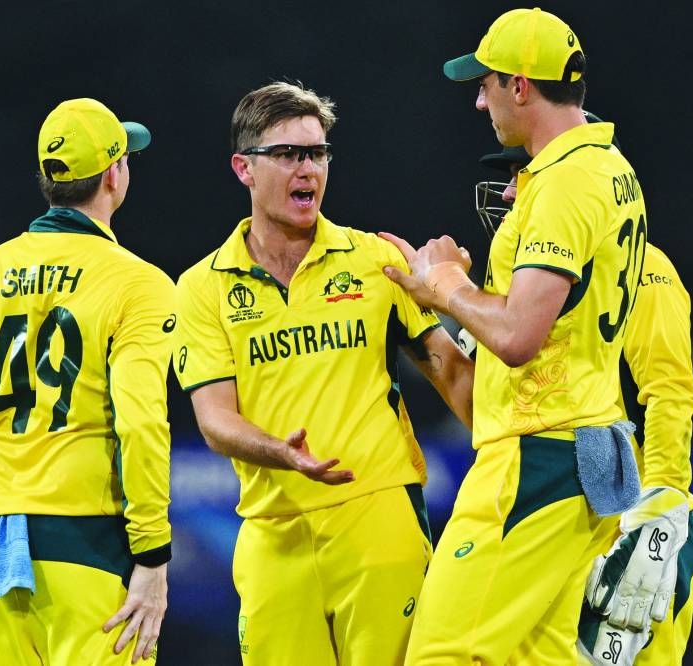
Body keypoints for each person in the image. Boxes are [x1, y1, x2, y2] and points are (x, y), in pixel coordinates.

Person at [380, 8, 687, 663]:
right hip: (585, 452)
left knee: (441, 654)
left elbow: (519, 336)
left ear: (520, 86)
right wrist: (444, 301)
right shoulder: (609, 166)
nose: (479, 100)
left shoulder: (562, 182)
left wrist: (447, 285)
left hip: (535, 461)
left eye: (486, 83)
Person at [173, 81, 474, 665]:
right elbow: (214, 420)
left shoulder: (376, 260)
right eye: (287, 154)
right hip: (272, 530)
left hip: (378, 515)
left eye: (317, 153)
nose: (307, 168)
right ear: (244, 168)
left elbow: (452, 373)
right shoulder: (202, 287)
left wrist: (514, 454)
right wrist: (281, 454)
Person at [0, 98, 174, 665]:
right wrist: (152, 554)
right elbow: (140, 422)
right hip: (92, 551)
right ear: (114, 174)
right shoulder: (139, 283)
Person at [474, 121, 693, 665]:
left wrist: (661, 508)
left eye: (525, 174)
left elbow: (668, 390)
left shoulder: (643, 267)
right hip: (571, 518)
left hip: (631, 535)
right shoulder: (532, 286)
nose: (510, 192)